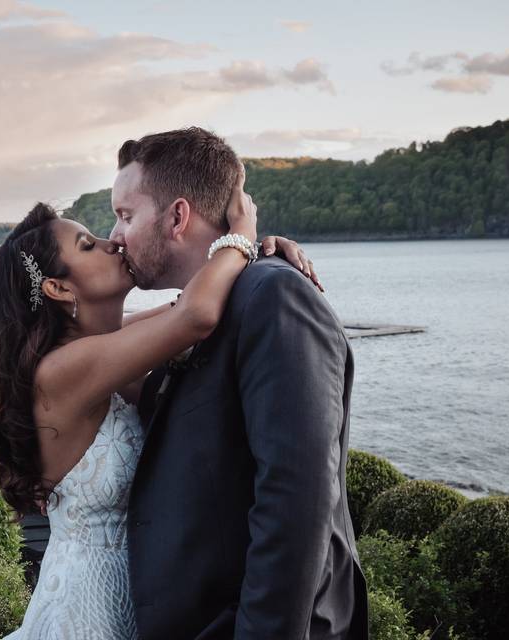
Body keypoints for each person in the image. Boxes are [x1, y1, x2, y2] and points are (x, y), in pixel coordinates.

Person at [0, 157, 316, 639]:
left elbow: (188, 305)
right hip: (89, 610)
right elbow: (195, 316)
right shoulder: (62, 371)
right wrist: (242, 230)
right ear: (57, 287)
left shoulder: (99, 349)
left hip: (143, 597)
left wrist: (259, 257)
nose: (112, 240)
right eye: (88, 245)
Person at [110, 127, 368, 639]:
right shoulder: (197, 311)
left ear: (177, 217)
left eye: (125, 215)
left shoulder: (274, 298)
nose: (115, 236)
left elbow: (296, 499)